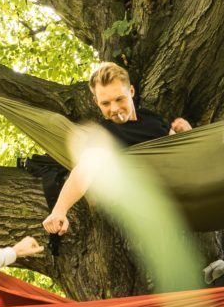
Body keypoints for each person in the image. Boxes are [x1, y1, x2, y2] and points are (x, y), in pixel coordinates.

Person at [40, 62, 191, 235]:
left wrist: (187, 134)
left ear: (131, 92)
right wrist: (59, 210)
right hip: (158, 206)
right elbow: (85, 170)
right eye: (105, 103)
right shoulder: (105, 134)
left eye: (120, 99)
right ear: (96, 102)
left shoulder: (151, 118)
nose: (115, 109)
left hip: (186, 187)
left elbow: (182, 151)